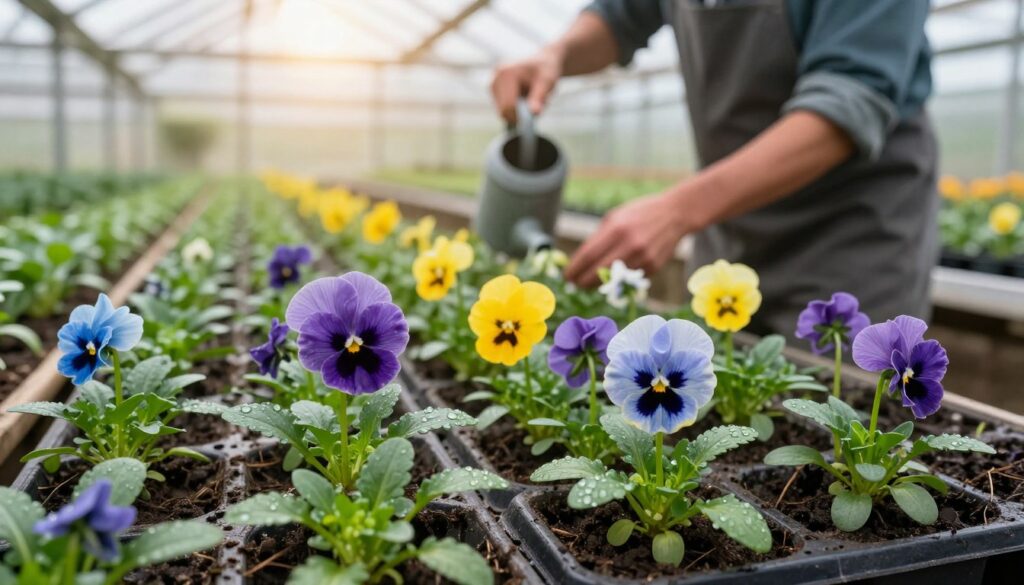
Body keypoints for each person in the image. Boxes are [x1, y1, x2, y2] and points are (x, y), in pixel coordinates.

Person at [489, 0, 936, 338]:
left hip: (850, 234)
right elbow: (623, 12)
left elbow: (849, 101)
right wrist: (559, 54)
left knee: (843, 425)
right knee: (712, 401)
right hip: (729, 221)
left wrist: (678, 210)